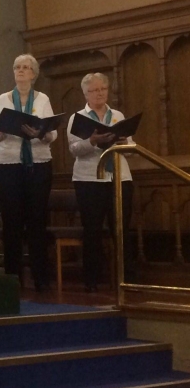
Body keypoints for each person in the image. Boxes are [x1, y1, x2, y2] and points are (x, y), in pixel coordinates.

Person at [0, 54, 56, 291]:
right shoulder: (4, 99)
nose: (21, 71)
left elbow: (51, 134)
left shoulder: (42, 98)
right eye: (17, 67)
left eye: (26, 68)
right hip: (8, 165)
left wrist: (39, 133)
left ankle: (41, 278)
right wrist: (4, 131)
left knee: (37, 220)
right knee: (11, 221)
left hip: (38, 163)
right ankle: (11, 277)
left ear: (34, 74)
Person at [67, 73, 135, 292]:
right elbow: (74, 150)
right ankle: (92, 280)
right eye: (95, 90)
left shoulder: (117, 115)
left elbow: (131, 149)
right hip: (89, 179)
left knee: (122, 229)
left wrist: (125, 142)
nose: (99, 93)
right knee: (92, 230)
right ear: (86, 93)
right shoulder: (78, 118)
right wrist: (92, 141)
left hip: (118, 177)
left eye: (103, 89)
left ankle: (127, 280)